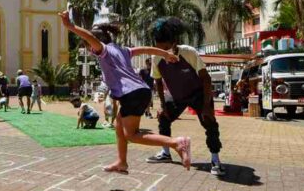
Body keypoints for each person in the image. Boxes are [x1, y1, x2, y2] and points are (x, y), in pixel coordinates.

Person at [59, 10, 191, 173]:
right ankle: (122, 162)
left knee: (132, 135)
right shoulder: (122, 50)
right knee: (118, 125)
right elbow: (145, 49)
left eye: (88, 46)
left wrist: (70, 26)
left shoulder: (104, 50)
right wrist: (165, 54)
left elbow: (91, 38)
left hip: (132, 94)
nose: (89, 49)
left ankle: (176, 143)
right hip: (140, 91)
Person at [147, 17, 225, 176]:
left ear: (174, 42)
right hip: (177, 96)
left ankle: (215, 159)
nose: (164, 52)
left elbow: (206, 79)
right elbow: (158, 82)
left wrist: (206, 106)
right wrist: (163, 106)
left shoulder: (188, 52)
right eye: (160, 48)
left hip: (198, 93)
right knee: (163, 117)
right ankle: (165, 153)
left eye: (167, 48)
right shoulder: (156, 58)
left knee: (209, 122)